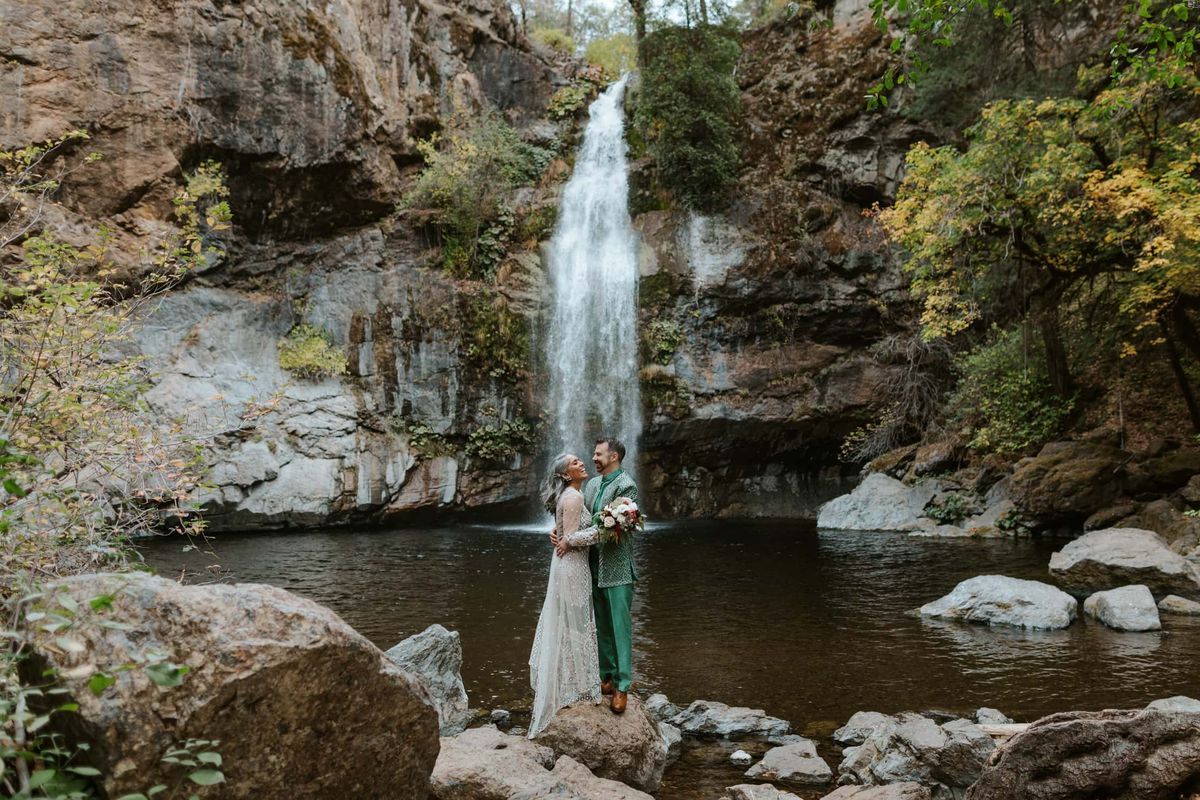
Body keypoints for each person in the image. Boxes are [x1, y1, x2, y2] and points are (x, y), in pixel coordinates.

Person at [553, 436, 639, 714]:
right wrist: (560, 531)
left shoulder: (627, 486)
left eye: (598, 454)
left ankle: (622, 686)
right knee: (600, 624)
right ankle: (607, 676)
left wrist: (569, 541)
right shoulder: (590, 485)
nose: (593, 458)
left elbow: (610, 529)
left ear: (613, 457)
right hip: (591, 566)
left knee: (620, 628)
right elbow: (582, 520)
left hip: (617, 568)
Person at [527, 453, 602, 738]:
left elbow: (564, 534)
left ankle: (569, 684)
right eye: (575, 463)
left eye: (580, 460)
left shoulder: (570, 495)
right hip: (572, 567)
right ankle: (575, 688)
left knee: (570, 624)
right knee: (575, 624)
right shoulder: (574, 497)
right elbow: (569, 540)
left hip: (569, 565)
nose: (582, 463)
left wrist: (561, 534)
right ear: (567, 475)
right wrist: (604, 529)